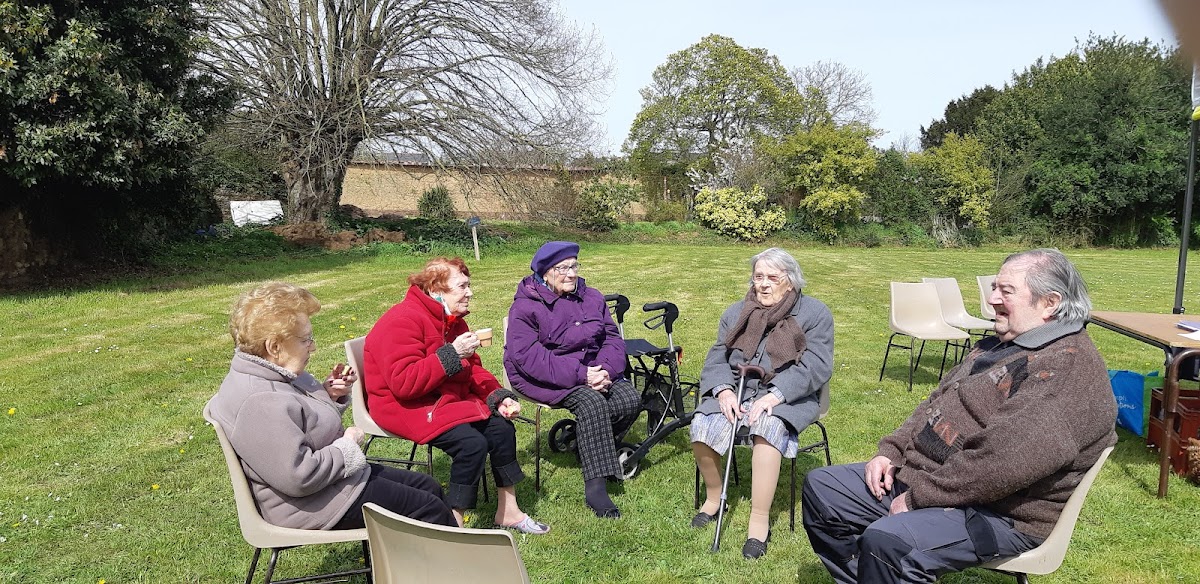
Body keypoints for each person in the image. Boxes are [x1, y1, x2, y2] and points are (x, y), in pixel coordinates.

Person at [801, 248, 1118, 583]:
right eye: (994, 287)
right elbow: (934, 403)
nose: (991, 298)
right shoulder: (1000, 345)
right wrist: (891, 451)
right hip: (937, 481)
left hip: (999, 510)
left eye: (1005, 291)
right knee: (825, 490)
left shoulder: (1063, 370)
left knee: (889, 543)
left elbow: (1000, 464)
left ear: (1050, 303)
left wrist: (917, 498)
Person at [208, 281, 456, 531]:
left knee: (429, 487)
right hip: (313, 505)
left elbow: (294, 421)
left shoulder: (272, 372)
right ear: (274, 346)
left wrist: (330, 395)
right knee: (428, 508)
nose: (313, 347)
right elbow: (299, 476)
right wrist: (347, 446)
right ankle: (453, 567)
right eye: (306, 340)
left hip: (330, 486)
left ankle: (428, 564)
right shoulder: (259, 400)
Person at [363, 257, 549, 534]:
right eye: (462, 286)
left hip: (442, 399)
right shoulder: (402, 321)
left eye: (469, 285)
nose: (470, 292)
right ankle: (452, 525)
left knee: (501, 429)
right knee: (471, 444)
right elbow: (404, 384)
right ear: (436, 290)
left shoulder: (451, 321)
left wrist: (498, 396)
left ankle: (508, 512)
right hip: (404, 406)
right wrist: (452, 354)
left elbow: (473, 371)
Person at [689, 247, 834, 559]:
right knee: (701, 423)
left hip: (789, 396)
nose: (763, 284)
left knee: (766, 429)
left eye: (772, 277)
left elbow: (817, 366)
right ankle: (715, 498)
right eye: (758, 277)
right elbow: (716, 357)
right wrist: (723, 391)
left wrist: (775, 394)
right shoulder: (735, 312)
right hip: (739, 391)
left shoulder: (815, 313)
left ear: (791, 282)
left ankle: (758, 521)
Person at [503, 241, 640, 518]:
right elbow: (529, 357)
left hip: (593, 370)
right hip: (543, 376)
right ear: (544, 273)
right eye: (562, 268)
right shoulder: (526, 306)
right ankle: (596, 487)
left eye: (574, 265)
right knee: (592, 403)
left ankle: (588, 445)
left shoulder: (593, 297)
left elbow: (612, 338)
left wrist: (604, 371)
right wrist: (582, 375)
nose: (571, 273)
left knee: (630, 400)